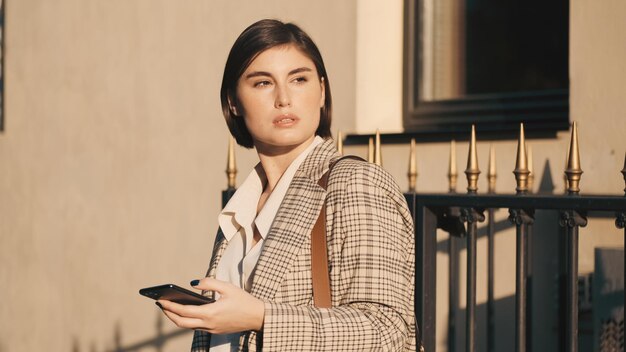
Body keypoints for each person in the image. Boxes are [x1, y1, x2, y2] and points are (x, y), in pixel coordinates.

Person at [156, 19, 416, 351]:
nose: (283, 98)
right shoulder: (241, 208)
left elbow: (385, 330)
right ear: (234, 102)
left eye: (299, 79)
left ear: (321, 91)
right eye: (263, 83)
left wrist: (261, 317)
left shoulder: (354, 183)